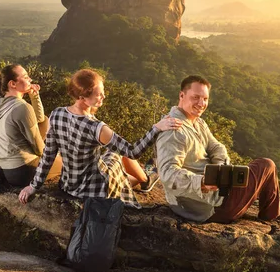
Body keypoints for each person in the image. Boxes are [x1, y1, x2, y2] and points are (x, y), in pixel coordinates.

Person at [19, 68, 182, 208]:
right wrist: (156, 128)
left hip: (68, 186)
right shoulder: (96, 127)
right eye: (99, 94)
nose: (103, 97)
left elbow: (48, 156)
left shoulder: (56, 114)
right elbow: (132, 152)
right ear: (82, 97)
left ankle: (143, 180)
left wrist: (33, 186)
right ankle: (145, 180)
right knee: (117, 155)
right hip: (94, 191)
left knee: (111, 155)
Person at [155, 75, 280, 223]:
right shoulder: (173, 129)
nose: (201, 103)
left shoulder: (198, 123)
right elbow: (168, 174)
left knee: (247, 173)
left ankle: (274, 207)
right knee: (266, 165)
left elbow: (216, 146)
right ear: (182, 95)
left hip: (215, 195)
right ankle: (273, 212)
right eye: (196, 97)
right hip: (211, 207)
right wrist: (202, 182)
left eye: (205, 99)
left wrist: (220, 168)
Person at [0, 64, 62, 187]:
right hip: (21, 172)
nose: (30, 80)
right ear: (13, 84)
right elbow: (38, 148)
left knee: (44, 121)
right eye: (26, 77)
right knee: (68, 163)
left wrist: (34, 95)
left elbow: (39, 119)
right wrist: (58, 156)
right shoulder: (22, 107)